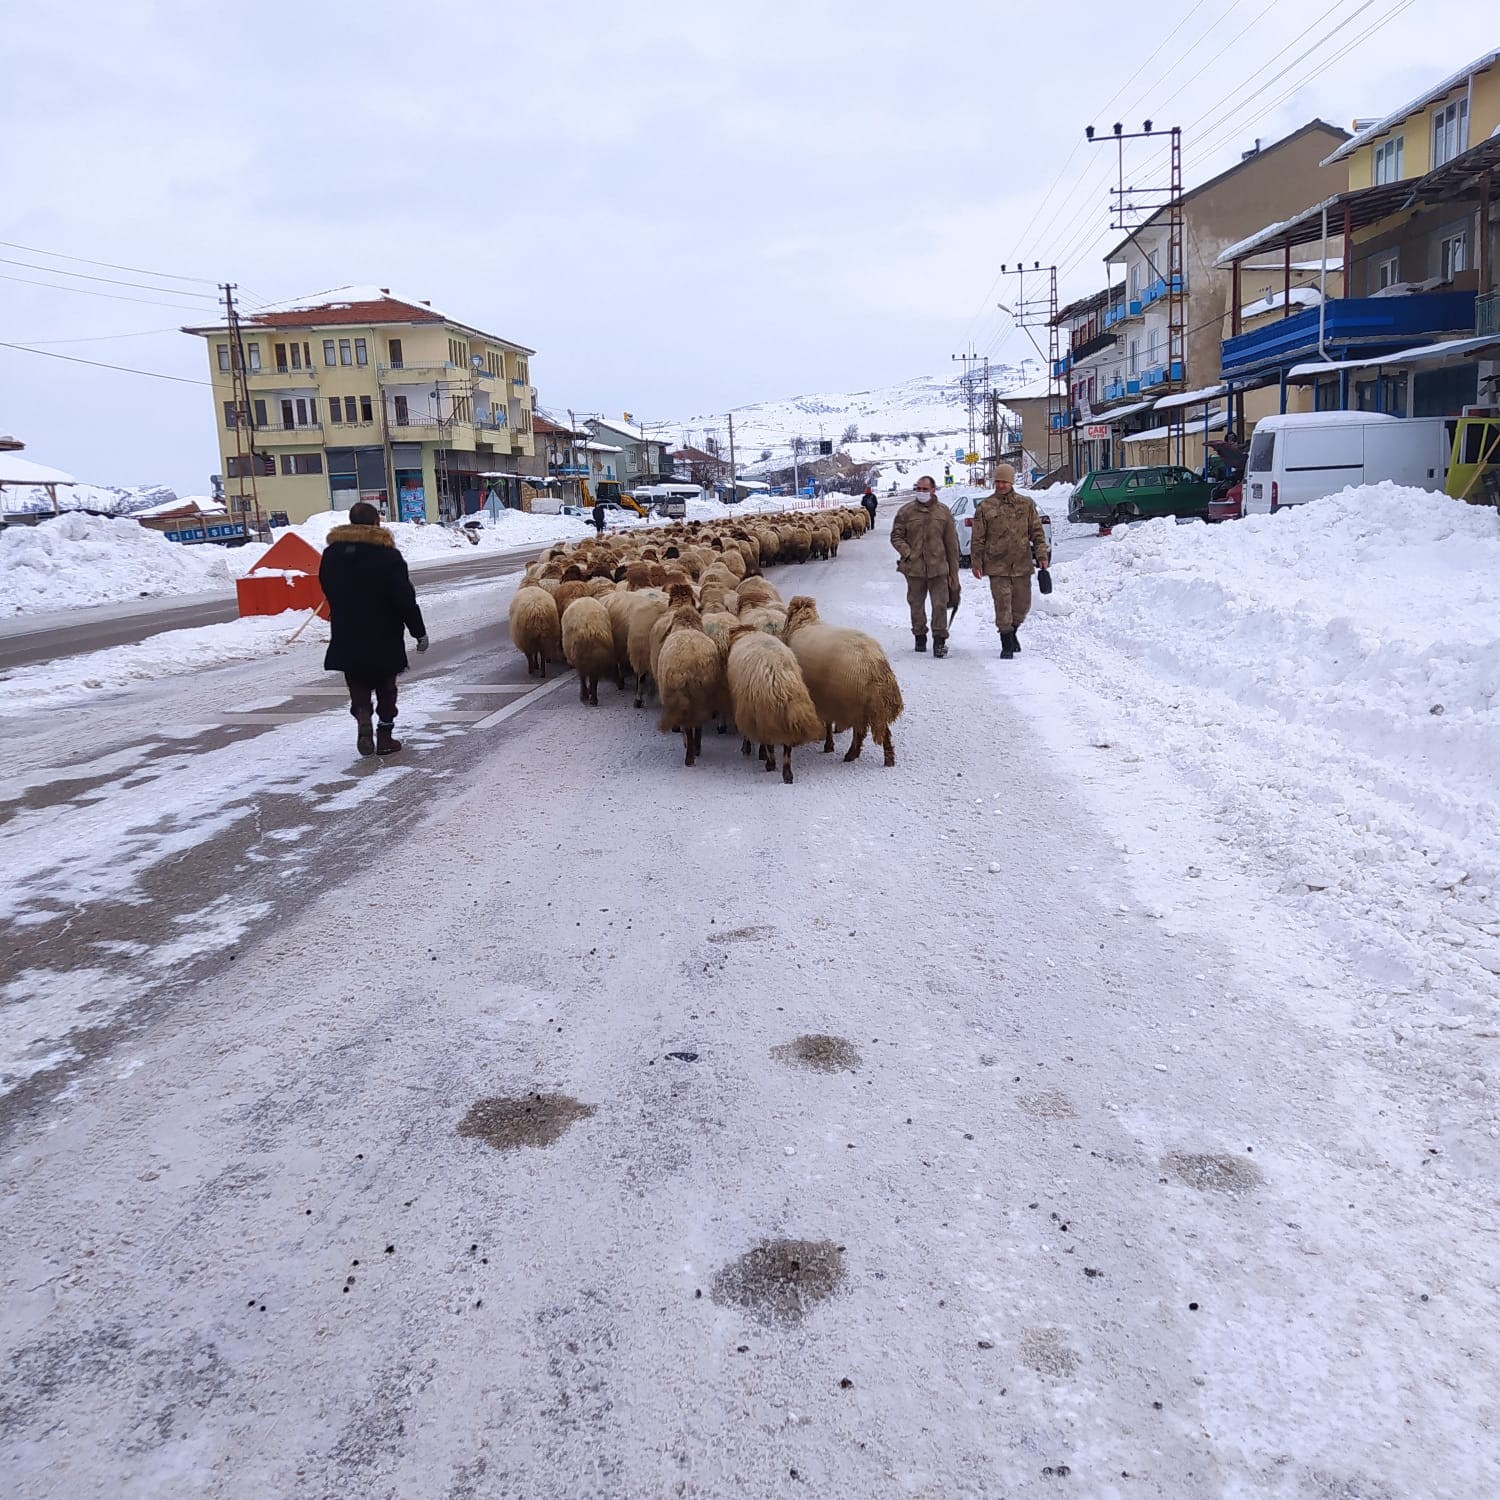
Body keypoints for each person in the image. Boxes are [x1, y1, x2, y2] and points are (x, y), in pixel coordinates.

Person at [318, 501, 429, 756]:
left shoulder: (332, 554)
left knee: (357, 682)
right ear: (376, 523)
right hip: (384, 633)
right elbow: (404, 598)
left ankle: (362, 716)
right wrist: (418, 632)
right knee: (386, 686)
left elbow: (327, 587)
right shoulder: (387, 555)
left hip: (347, 631)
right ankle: (385, 736)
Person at [969, 462, 1050, 660]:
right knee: (1003, 604)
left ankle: (1012, 631)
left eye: (1004, 481)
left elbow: (1037, 533)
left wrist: (1041, 556)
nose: (1000, 485)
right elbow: (978, 538)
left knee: (1022, 605)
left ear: (1011, 482)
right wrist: (976, 562)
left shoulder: (1026, 504)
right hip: (997, 565)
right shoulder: (985, 507)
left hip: (1022, 563)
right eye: (997, 481)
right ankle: (1006, 643)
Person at [890, 475, 959, 657]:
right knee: (916, 605)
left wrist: (954, 573)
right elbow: (896, 536)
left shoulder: (943, 512)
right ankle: (920, 635)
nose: (921, 492)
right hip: (915, 569)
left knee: (940, 605)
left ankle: (939, 640)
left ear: (933, 490)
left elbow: (952, 545)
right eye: (918, 489)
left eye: (925, 489)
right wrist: (907, 552)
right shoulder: (906, 512)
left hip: (938, 568)